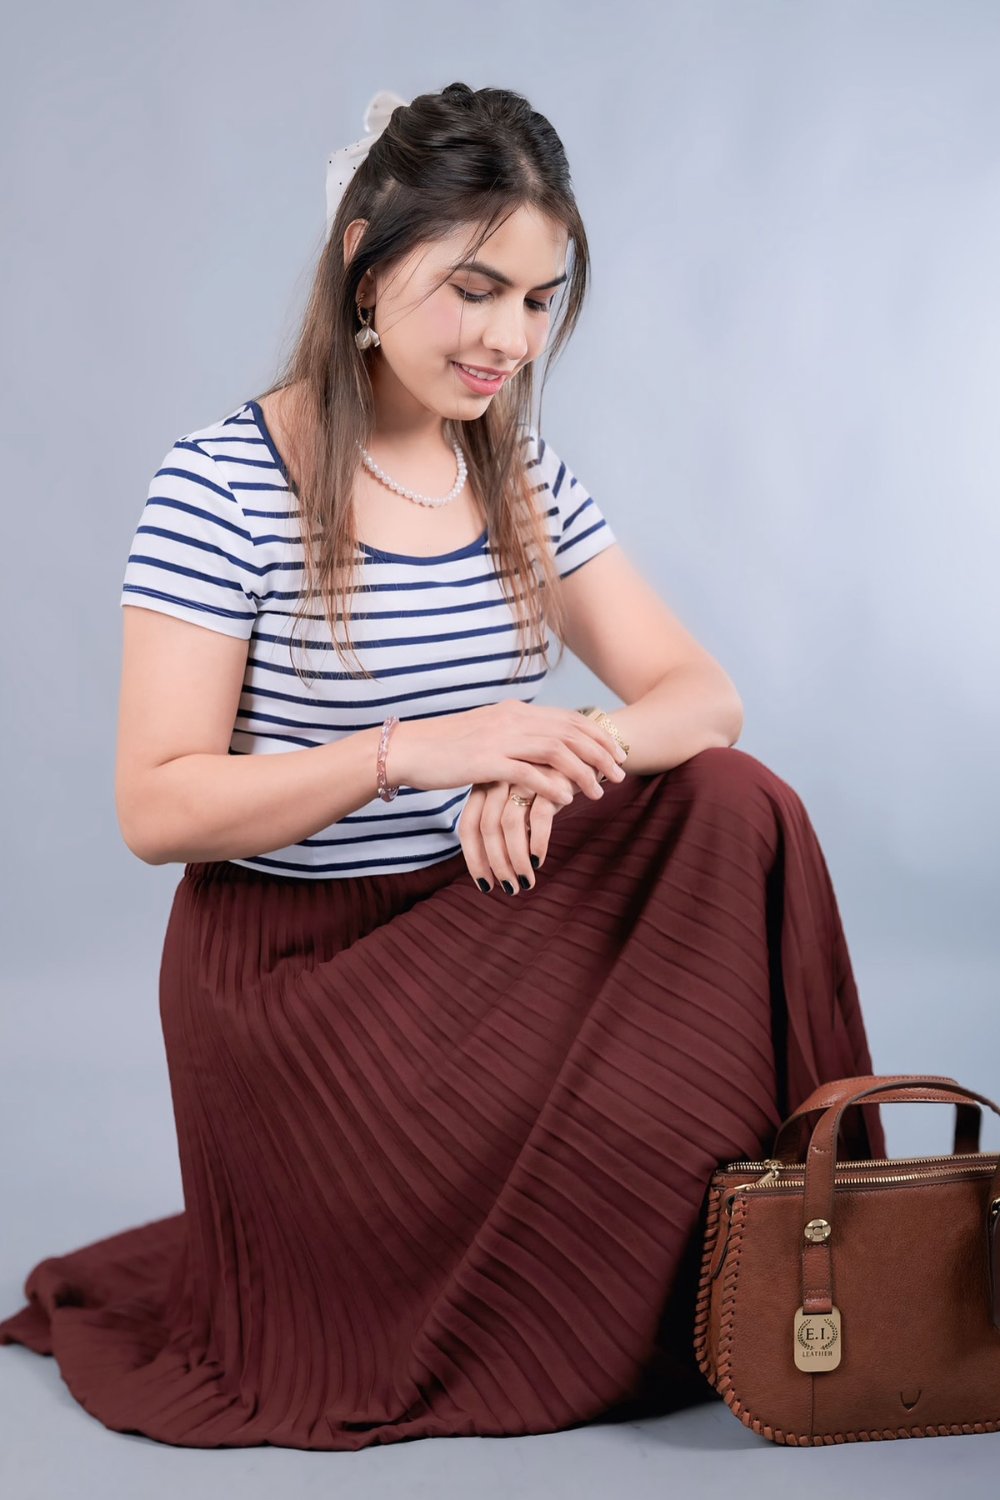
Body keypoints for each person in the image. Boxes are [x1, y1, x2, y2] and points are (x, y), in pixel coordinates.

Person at [0, 81, 886, 1450]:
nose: (508, 339)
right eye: (476, 286)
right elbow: (153, 805)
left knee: (732, 807)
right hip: (297, 994)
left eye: (538, 298)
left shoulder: (515, 474)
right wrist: (414, 754)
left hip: (480, 930)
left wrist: (548, 760)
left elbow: (704, 695)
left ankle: (796, 1259)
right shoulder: (221, 484)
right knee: (702, 810)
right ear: (366, 255)